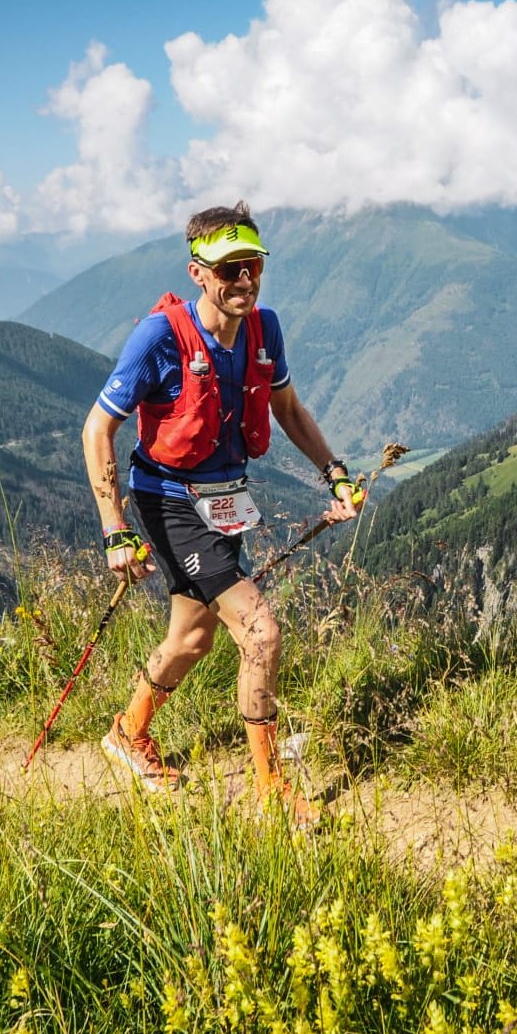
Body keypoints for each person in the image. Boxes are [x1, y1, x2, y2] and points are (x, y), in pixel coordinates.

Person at [81, 201, 361, 824]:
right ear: (197, 273)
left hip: (225, 502)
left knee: (192, 635)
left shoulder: (265, 329)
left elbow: (287, 409)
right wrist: (114, 530)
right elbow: (98, 427)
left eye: (253, 265)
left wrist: (335, 473)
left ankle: (128, 735)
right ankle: (271, 791)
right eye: (229, 268)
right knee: (259, 631)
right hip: (168, 501)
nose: (244, 280)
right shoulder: (160, 337)